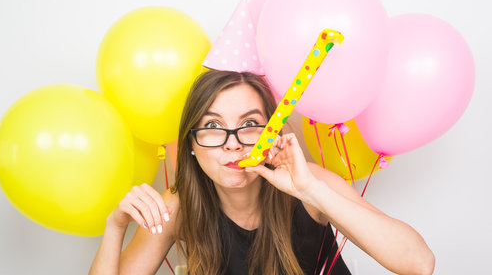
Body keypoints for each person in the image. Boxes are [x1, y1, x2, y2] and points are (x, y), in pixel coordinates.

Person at [90, 70, 435, 275]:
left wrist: (311, 191)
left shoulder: (311, 183)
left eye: (250, 124)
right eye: (212, 125)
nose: (232, 144)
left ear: (270, 132)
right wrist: (115, 226)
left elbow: (419, 263)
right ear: (191, 143)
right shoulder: (178, 206)